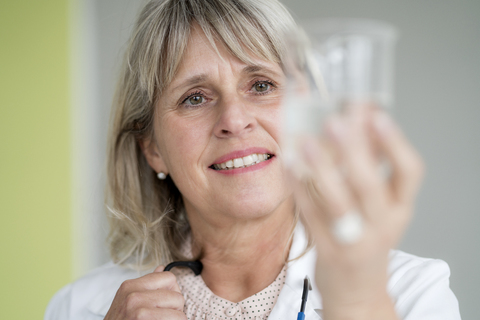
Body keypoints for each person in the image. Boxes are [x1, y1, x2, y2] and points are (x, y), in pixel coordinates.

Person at [45, 0, 461, 319]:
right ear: (152, 147)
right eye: (194, 98)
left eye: (261, 85)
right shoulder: (81, 306)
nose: (234, 120)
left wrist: (355, 302)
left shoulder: (410, 293)